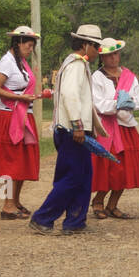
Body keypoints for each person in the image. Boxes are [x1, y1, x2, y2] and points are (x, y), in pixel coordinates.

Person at [30, 24, 104, 235]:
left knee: (82, 177)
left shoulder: (74, 64)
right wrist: (78, 125)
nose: (98, 50)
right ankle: (43, 217)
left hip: (71, 129)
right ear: (85, 44)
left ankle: (75, 220)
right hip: (73, 131)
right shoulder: (76, 65)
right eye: (95, 45)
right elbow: (70, 96)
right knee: (71, 178)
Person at [89, 37, 139, 220]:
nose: (114, 57)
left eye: (116, 53)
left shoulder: (129, 76)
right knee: (108, 167)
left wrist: (129, 103)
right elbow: (97, 103)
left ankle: (113, 204)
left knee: (125, 167)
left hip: (126, 125)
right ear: (103, 57)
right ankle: (98, 200)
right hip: (107, 128)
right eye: (110, 54)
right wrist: (118, 104)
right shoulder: (97, 78)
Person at [0, 25, 41, 219]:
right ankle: (6, 205)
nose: (30, 49)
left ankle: (15, 201)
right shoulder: (7, 62)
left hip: (23, 115)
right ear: (18, 42)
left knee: (22, 158)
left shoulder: (21, 63)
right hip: (9, 116)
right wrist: (20, 98)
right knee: (9, 161)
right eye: (28, 46)